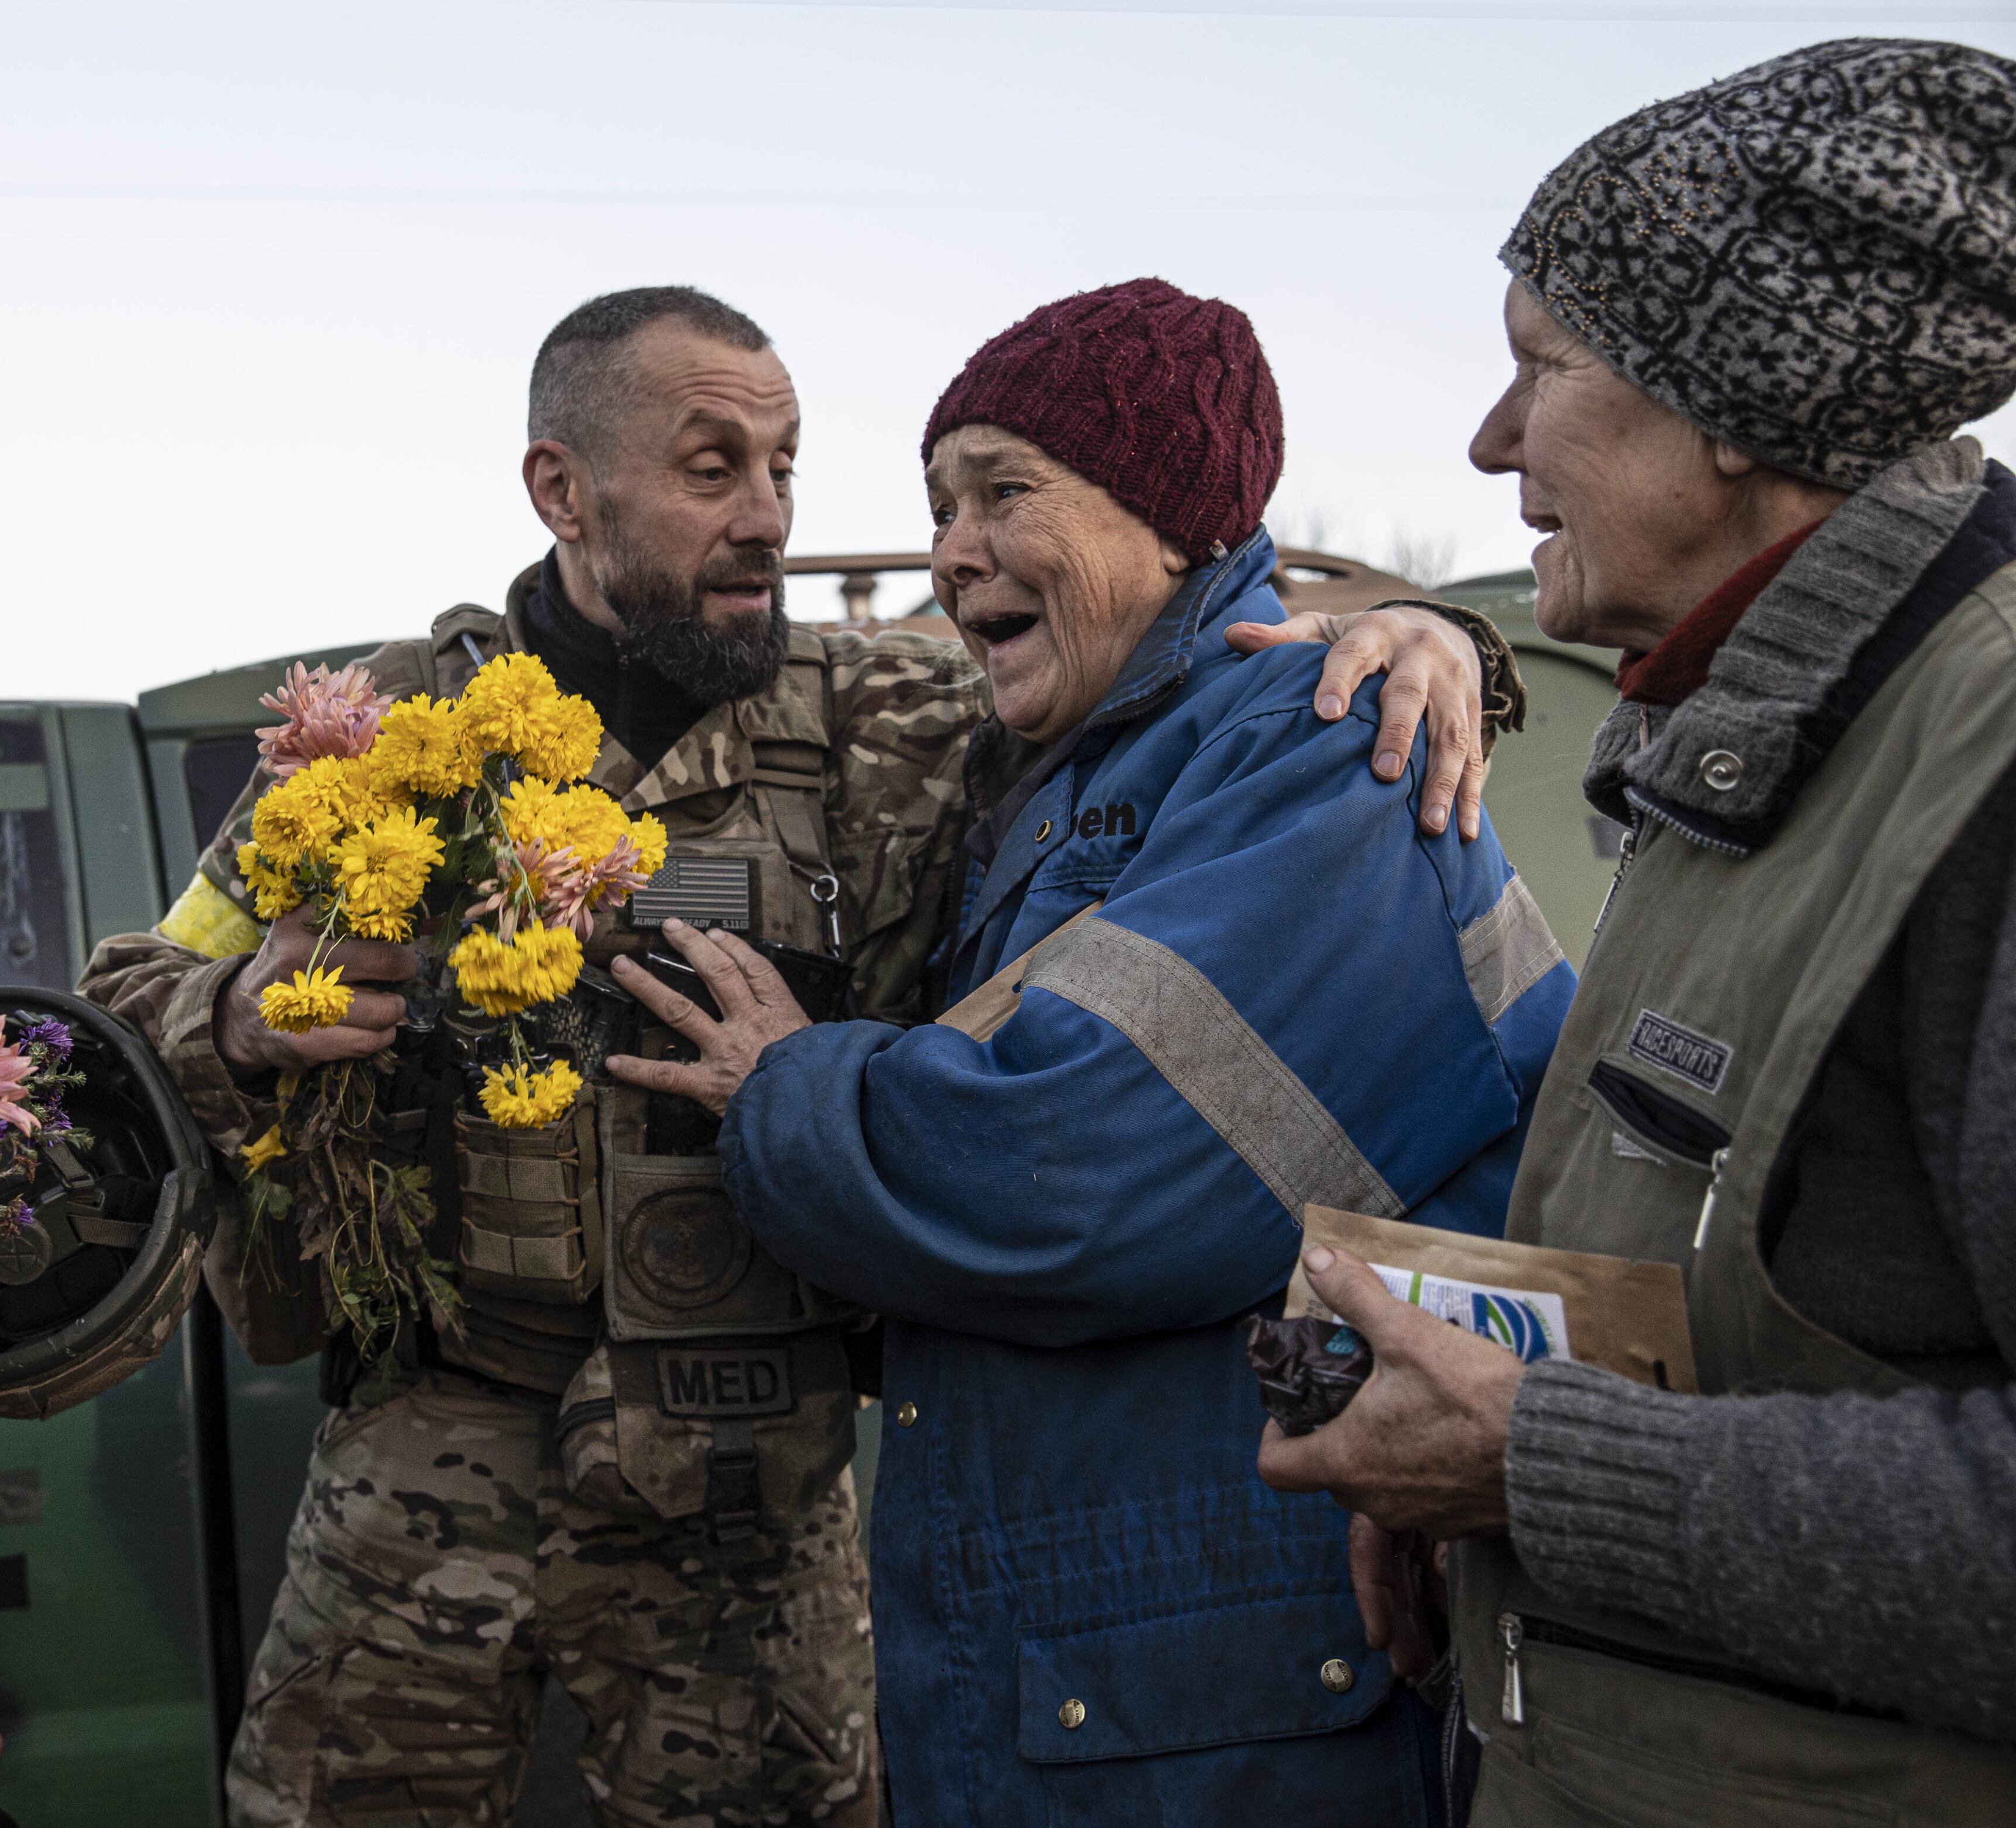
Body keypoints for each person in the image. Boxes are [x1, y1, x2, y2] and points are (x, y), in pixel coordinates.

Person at [78, 283, 1499, 1824]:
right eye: (711, 469)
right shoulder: (375, 735)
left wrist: (1420, 637)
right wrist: (233, 1020)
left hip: (751, 1507)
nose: (767, 515)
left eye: (786, 468)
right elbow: (135, 1000)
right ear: (563, 487)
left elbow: (1171, 694)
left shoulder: (897, 713)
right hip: (425, 1464)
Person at [625, 277, 1573, 1826]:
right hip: (1108, 1681)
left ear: (1183, 518)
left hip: (1228, 1703)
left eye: (1007, 491)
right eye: (938, 504)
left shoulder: (1324, 738)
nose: (949, 553)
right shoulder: (1063, 771)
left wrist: (785, 1090)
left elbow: (1074, 1177)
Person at [1259, 38, 2016, 1824]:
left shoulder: (1979, 758)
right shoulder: (1762, 726)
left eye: (1546, 365)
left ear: (1735, 403)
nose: (1491, 437)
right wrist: (1467, 1492)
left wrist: (1537, 1467)